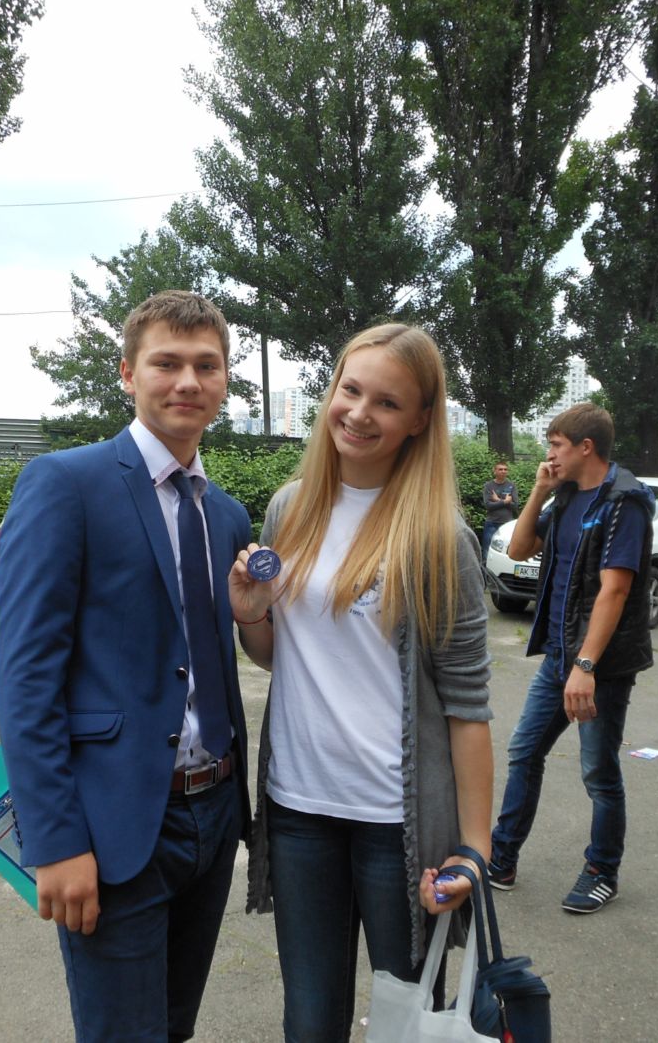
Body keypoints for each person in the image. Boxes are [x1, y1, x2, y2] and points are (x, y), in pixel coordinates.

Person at [0, 291, 252, 1043]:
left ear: (224, 380)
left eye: (206, 365)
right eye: (166, 363)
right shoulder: (65, 483)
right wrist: (54, 840)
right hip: (115, 826)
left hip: (212, 813)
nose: (188, 381)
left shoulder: (225, 514)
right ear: (128, 374)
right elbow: (25, 675)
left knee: (172, 1027)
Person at [232, 323, 494, 1042]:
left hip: (396, 824)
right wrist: (250, 613)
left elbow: (468, 706)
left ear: (419, 421)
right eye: (350, 390)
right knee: (310, 1020)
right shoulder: (290, 509)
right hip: (297, 808)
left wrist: (475, 847)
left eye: (387, 402)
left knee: (408, 1023)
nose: (359, 413)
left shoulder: (439, 537)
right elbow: (281, 656)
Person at [486, 403, 653, 913]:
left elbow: (614, 590)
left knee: (598, 771)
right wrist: (539, 490)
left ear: (586, 447)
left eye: (556, 445)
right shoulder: (564, 497)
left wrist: (586, 667)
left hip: (599, 666)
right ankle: (501, 859)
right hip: (559, 657)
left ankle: (602, 871)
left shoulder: (624, 502)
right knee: (524, 752)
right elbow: (519, 550)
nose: (549, 454)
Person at [481, 460, 517, 551]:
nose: (503, 471)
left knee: (505, 551)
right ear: (495, 471)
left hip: (507, 524)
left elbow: (515, 505)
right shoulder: (488, 486)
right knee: (487, 551)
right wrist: (505, 502)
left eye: (505, 469)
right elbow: (488, 505)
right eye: (500, 469)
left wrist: (497, 500)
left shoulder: (511, 485)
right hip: (491, 523)